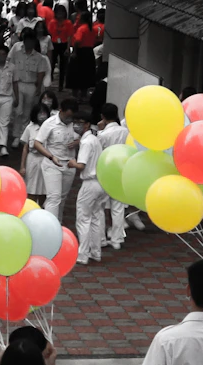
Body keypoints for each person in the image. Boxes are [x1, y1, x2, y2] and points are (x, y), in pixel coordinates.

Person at [32, 98, 83, 225]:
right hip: (52, 164)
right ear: (61, 111)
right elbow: (37, 143)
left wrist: (78, 142)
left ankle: (58, 222)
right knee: (53, 197)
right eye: (68, 116)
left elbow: (87, 137)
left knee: (62, 197)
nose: (70, 119)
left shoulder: (76, 124)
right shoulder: (49, 123)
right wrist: (50, 156)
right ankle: (50, 226)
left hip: (70, 165)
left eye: (72, 117)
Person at [98, 102, 142, 245]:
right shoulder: (125, 132)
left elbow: (99, 154)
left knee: (101, 206)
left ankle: (101, 237)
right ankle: (117, 238)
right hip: (122, 170)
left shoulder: (103, 135)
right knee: (118, 207)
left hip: (105, 170)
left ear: (103, 116)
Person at [6, 30, 53, 149]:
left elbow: (40, 73)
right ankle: (16, 135)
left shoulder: (39, 57)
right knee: (18, 111)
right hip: (18, 84)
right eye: (27, 41)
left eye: (32, 42)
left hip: (31, 85)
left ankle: (23, 135)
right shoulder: (16, 54)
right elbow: (10, 68)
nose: (29, 44)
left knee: (27, 112)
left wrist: (38, 88)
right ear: (24, 41)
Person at [73, 111, 108, 264]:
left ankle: (83, 254)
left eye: (80, 122)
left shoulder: (86, 142)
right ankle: (96, 251)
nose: (77, 125)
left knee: (83, 218)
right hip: (100, 182)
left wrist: (71, 162)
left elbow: (81, 165)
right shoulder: (94, 139)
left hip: (89, 183)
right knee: (95, 217)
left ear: (86, 124)